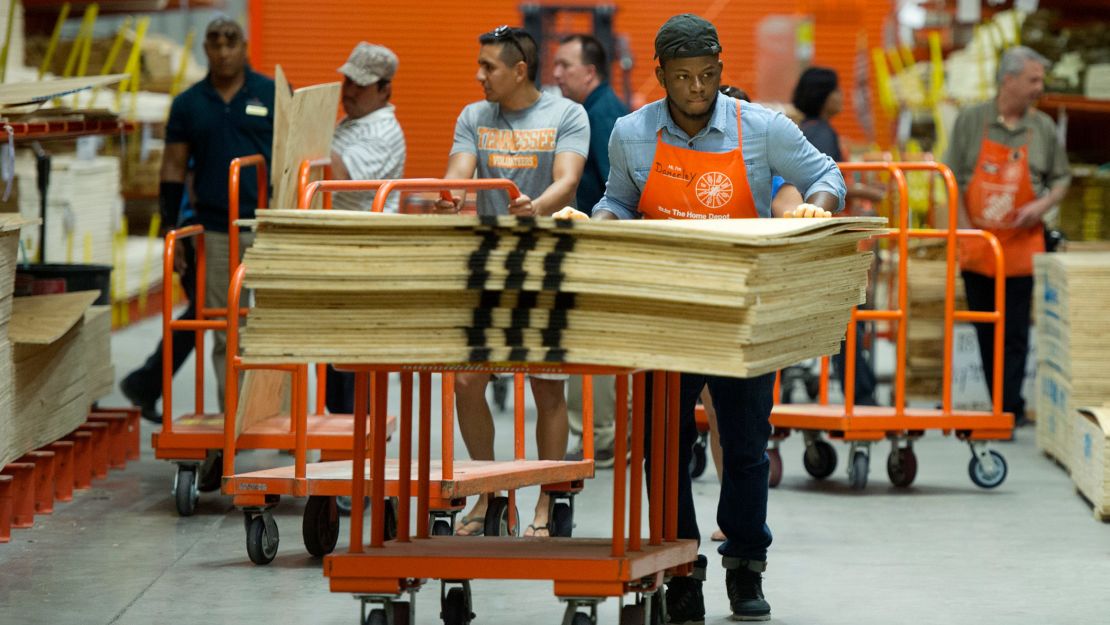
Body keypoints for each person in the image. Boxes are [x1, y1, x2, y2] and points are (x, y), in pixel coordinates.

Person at [557, 14, 844, 623]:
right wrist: (599, 222)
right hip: (668, 313)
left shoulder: (759, 127)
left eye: (708, 75)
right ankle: (680, 567)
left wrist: (815, 209)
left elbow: (826, 175)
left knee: (744, 448)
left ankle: (745, 566)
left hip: (744, 310)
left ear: (720, 70)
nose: (697, 88)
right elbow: (617, 200)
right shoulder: (633, 133)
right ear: (660, 75)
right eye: (683, 77)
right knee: (662, 450)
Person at [435, 25, 589, 537]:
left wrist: (535, 206)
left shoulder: (567, 114)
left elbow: (567, 179)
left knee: (546, 389)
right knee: (466, 380)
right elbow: (459, 167)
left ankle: (548, 499)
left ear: (519, 70)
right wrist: (452, 193)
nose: (478, 76)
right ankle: (486, 492)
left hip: (547, 261)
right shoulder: (474, 116)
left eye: (488, 67)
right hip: (491, 265)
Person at [943, 46, 1070, 429]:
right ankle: (997, 401)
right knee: (985, 325)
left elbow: (1062, 178)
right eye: (1033, 80)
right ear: (1008, 80)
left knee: (1015, 330)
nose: (1039, 87)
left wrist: (1042, 205)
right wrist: (965, 230)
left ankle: (1009, 409)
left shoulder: (1043, 127)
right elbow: (951, 178)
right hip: (980, 244)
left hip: (1021, 244)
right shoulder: (972, 121)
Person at [158, 16, 275, 412]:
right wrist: (170, 226)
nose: (223, 51)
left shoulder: (272, 94)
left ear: (245, 47)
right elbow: (173, 167)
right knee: (228, 331)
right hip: (216, 231)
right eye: (214, 43)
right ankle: (235, 422)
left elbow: (296, 154)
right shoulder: (188, 104)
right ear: (205, 49)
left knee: (277, 327)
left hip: (269, 226)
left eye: (231, 42)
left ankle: (277, 416)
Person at [552, 33, 629, 468]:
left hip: (601, 248)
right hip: (598, 244)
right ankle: (606, 432)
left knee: (595, 344)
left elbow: (616, 189)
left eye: (565, 65)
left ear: (590, 71)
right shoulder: (596, 109)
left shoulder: (600, 116)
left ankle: (600, 436)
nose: (557, 73)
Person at [324, 42, 406, 414]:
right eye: (347, 81)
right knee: (335, 370)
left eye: (360, 84)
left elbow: (341, 177)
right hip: (339, 260)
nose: (349, 91)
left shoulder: (383, 132)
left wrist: (307, 128)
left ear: (385, 88)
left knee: (354, 373)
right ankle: (339, 454)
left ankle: (360, 457)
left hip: (364, 264)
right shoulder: (350, 124)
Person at [792, 66, 879, 406]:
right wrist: (866, 191)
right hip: (827, 241)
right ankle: (862, 394)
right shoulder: (823, 134)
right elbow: (828, 180)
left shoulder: (803, 130)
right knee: (846, 317)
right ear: (825, 97)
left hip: (813, 239)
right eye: (837, 91)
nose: (842, 98)